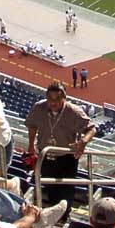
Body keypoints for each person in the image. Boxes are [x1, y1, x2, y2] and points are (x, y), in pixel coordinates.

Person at [24, 82, 95, 220]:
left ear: (64, 98)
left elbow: (92, 129)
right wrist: (31, 145)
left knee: (66, 190)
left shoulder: (73, 111)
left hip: (66, 158)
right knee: (50, 187)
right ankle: (53, 215)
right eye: (50, 98)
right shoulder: (39, 107)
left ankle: (64, 217)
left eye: (57, 99)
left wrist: (83, 142)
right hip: (45, 155)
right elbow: (32, 125)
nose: (53, 102)